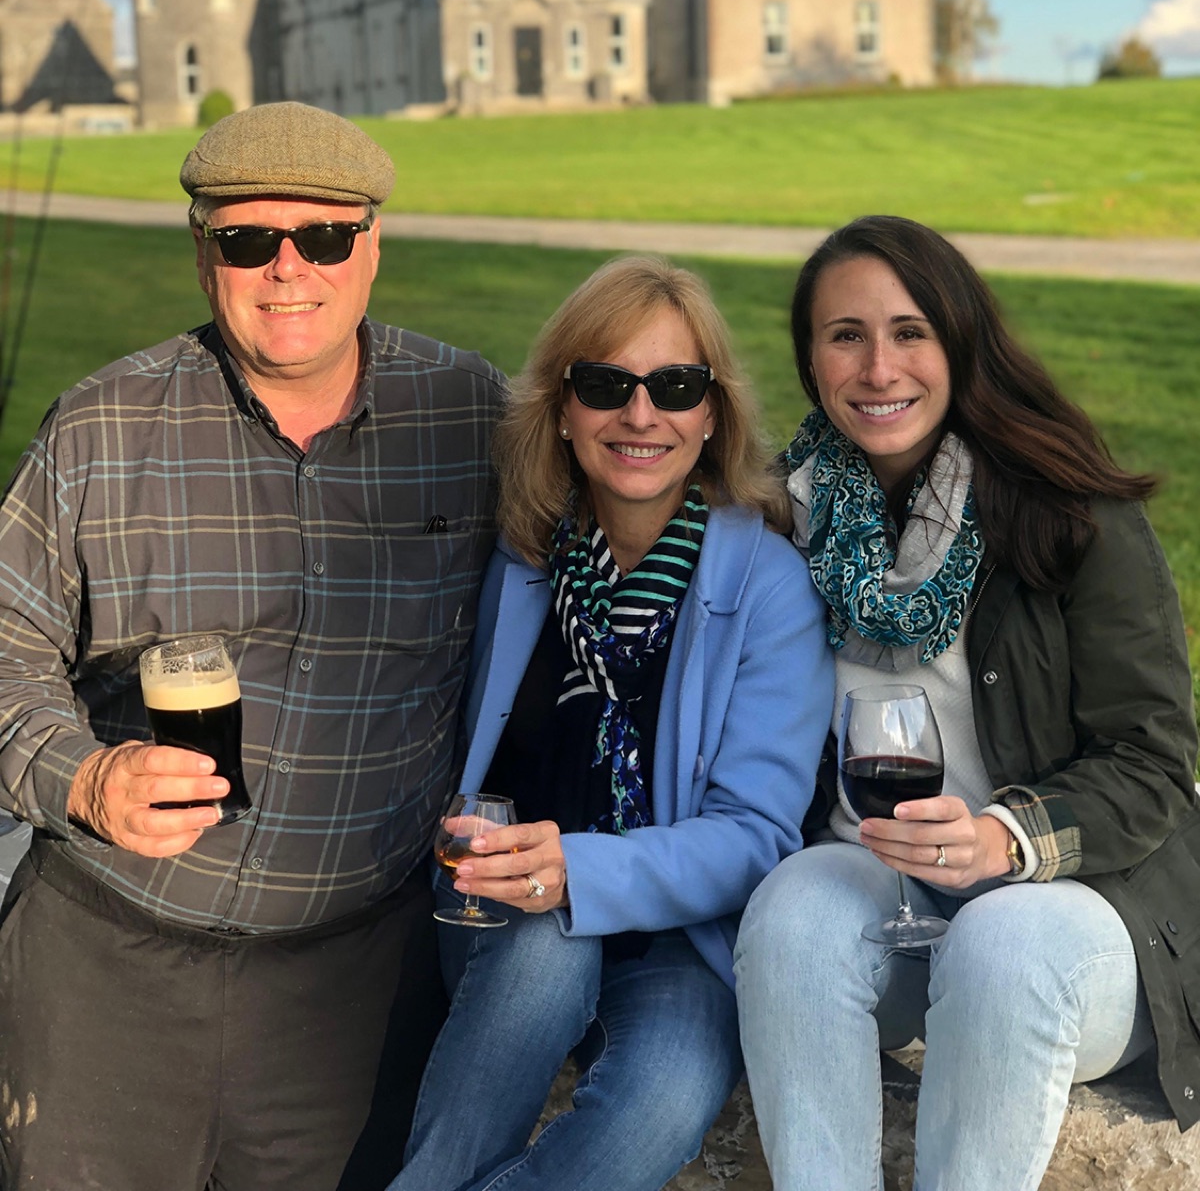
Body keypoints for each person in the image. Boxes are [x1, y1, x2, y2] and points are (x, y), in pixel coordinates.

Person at [0, 102, 503, 1191]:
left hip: (351, 988)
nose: (289, 269)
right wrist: (84, 776)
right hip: (111, 957)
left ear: (372, 247)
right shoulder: (99, 426)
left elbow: (634, 511)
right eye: (247, 240)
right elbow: (4, 642)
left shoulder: (470, 414)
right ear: (202, 254)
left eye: (323, 237)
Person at [734, 214, 1200, 1190]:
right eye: (846, 335)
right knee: (792, 912)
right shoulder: (783, 519)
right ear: (812, 360)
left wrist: (1004, 838)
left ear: (960, 342)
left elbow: (1153, 761)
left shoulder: (1071, 511)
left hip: (1077, 918)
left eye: (910, 332)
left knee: (1001, 937)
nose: (878, 367)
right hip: (886, 894)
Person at [392, 254, 832, 1191]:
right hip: (497, 915)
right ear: (561, 408)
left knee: (663, 1099)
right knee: (547, 951)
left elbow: (755, 835)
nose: (640, 415)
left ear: (711, 415)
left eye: (674, 387)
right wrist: (526, 876)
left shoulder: (768, 589)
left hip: (678, 941)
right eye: (604, 385)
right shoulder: (519, 561)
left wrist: (577, 872)